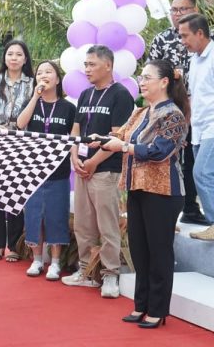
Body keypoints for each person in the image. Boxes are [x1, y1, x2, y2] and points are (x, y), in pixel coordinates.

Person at [100, 59, 189, 329]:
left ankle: (158, 309)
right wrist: (97, 139)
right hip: (137, 187)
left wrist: (123, 146)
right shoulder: (140, 112)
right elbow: (120, 135)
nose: (141, 81)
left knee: (159, 251)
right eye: (141, 76)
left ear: (164, 82)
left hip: (164, 191)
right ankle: (141, 305)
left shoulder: (173, 115)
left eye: (147, 77)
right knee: (140, 250)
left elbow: (159, 151)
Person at [62, 45, 134, 298]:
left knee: (107, 226)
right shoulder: (84, 95)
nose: (87, 69)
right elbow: (76, 130)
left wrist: (94, 162)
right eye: (86, 64)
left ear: (108, 66)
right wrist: (74, 155)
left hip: (106, 170)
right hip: (82, 169)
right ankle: (86, 271)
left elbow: (117, 137)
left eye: (92, 64)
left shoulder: (121, 95)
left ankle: (111, 275)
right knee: (83, 224)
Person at [148, 0, 212, 226]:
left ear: (195, 10)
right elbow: (151, 75)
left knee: (194, 161)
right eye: (174, 10)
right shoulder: (161, 39)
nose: (177, 14)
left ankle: (191, 207)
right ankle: (165, 207)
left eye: (182, 10)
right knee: (166, 156)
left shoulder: (206, 39)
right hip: (169, 110)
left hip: (201, 109)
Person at [177, 13, 214, 241]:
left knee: (203, 173)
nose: (182, 41)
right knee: (200, 174)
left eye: (185, 36)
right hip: (200, 129)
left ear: (200, 33)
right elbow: (195, 97)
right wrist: (186, 127)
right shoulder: (195, 60)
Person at [16, 60, 75, 281]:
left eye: (48, 72)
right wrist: (34, 97)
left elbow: (74, 137)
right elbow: (21, 125)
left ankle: (56, 262)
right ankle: (37, 259)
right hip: (32, 170)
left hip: (58, 171)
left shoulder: (68, 108)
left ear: (58, 79)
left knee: (56, 215)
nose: (44, 75)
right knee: (34, 215)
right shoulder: (31, 102)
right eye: (40, 72)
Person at [0, 40, 35, 262]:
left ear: (25, 59)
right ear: (4, 57)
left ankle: (14, 245)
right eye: (10, 54)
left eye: (18, 54)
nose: (13, 58)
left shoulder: (32, 84)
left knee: (15, 194)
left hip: (21, 143)